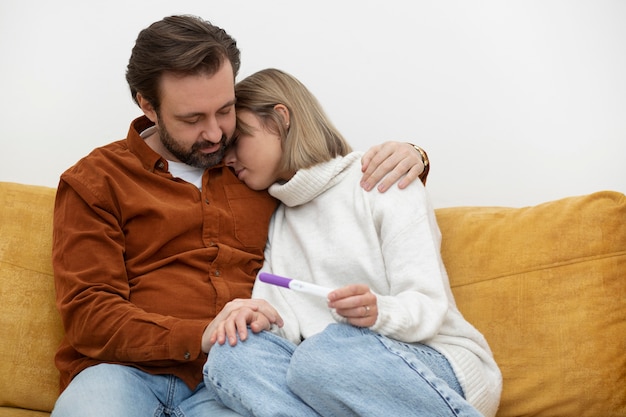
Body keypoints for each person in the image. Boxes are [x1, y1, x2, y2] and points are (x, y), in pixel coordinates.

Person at [50, 15, 428, 417]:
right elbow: (90, 314)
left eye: (225, 110)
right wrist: (201, 334)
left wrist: (412, 157)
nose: (215, 134)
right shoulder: (95, 181)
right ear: (148, 105)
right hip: (121, 375)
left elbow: (337, 187)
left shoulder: (257, 165)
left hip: (237, 380)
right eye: (192, 119)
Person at [203, 68, 502, 417]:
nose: (228, 158)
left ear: (280, 119)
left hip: (435, 364)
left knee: (323, 353)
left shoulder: (381, 177)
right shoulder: (278, 220)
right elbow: (283, 326)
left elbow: (428, 305)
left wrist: (378, 312)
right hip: (334, 380)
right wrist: (254, 318)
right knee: (231, 357)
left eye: (238, 140)